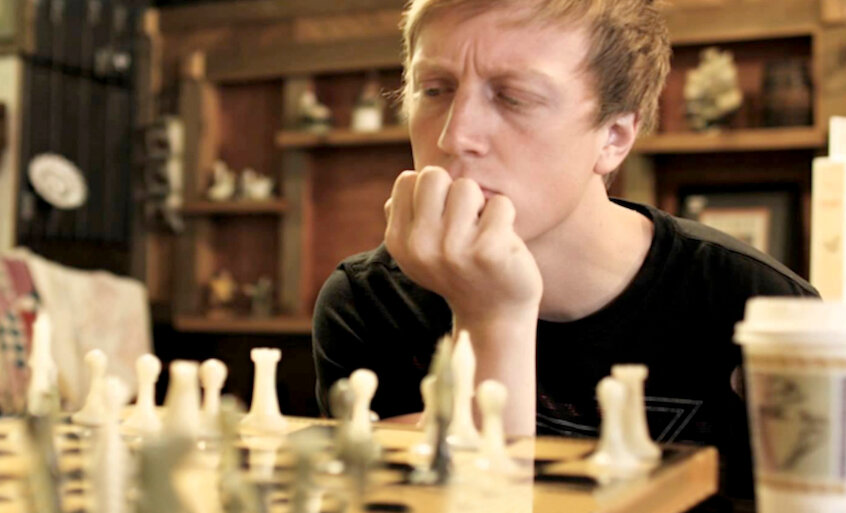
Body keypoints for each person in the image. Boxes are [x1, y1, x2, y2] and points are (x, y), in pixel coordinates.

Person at [312, 0, 818, 503]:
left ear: (613, 137)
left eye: (514, 97)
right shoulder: (368, 302)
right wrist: (490, 318)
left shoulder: (757, 305)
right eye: (434, 90)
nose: (455, 135)